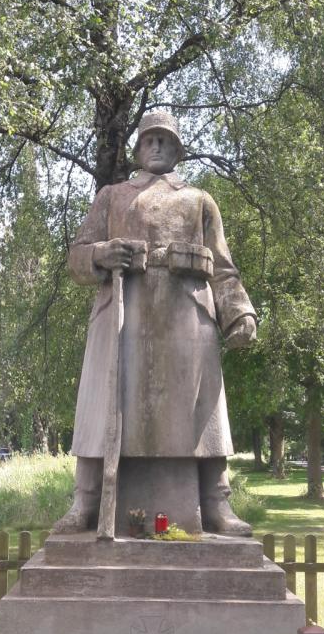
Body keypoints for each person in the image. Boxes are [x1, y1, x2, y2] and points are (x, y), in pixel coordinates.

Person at [53, 111, 257, 536]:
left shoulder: (200, 200)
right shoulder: (112, 196)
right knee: (98, 406)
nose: (157, 147)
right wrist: (99, 254)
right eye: (150, 140)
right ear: (138, 148)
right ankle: (85, 501)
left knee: (203, 407)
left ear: (178, 149)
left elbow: (223, 267)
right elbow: (76, 258)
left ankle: (215, 502)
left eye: (166, 140)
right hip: (122, 315)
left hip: (185, 313)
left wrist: (238, 312)